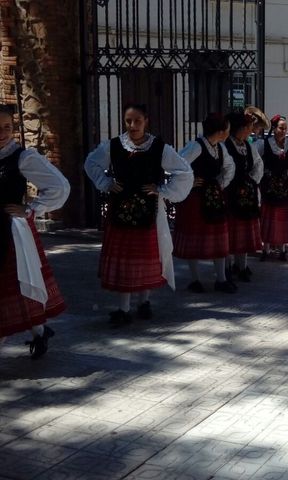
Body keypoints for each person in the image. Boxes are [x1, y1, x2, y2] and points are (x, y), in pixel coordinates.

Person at [85, 103, 193, 326]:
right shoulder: (114, 146)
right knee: (124, 260)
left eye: (137, 121)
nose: (132, 125)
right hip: (120, 212)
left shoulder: (159, 148)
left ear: (146, 121)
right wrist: (106, 183)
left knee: (144, 258)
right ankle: (123, 308)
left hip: (147, 213)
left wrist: (162, 189)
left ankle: (144, 303)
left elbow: (184, 171)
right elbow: (91, 163)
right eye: (128, 121)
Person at [0, 105, 70, 358]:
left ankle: (39, 333)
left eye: (7, 127)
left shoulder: (21, 157)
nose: (2, 133)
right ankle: (39, 333)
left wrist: (31, 208)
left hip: (11, 232)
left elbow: (59, 186)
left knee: (20, 284)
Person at [174, 113, 236, 294]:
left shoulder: (220, 148)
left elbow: (229, 168)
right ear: (221, 130)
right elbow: (178, 165)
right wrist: (189, 182)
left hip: (214, 197)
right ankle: (195, 279)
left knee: (219, 236)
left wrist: (219, 185)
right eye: (227, 129)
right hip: (196, 199)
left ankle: (221, 279)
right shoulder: (197, 146)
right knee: (195, 237)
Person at [255, 114, 288, 260]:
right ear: (274, 128)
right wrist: (260, 174)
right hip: (267, 187)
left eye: (285, 128)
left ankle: (282, 249)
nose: (284, 131)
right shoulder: (263, 144)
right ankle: (266, 249)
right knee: (267, 217)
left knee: (283, 218)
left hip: (284, 187)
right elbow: (254, 160)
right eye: (281, 128)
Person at [224, 112, 263, 281]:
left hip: (246, 194)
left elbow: (258, 165)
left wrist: (251, 181)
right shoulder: (225, 145)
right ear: (238, 128)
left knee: (244, 231)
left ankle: (243, 265)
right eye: (247, 128)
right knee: (229, 231)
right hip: (230, 193)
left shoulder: (248, 146)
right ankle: (227, 266)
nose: (250, 131)